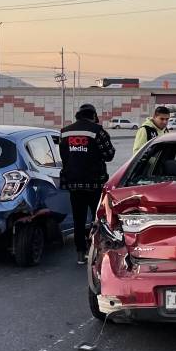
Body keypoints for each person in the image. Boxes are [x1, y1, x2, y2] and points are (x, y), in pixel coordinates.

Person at [59, 103, 115, 265]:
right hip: (94, 183)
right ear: (94, 116)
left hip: (73, 182)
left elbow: (64, 155)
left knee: (78, 217)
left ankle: (80, 253)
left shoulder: (65, 132)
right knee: (99, 217)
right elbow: (109, 154)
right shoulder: (97, 131)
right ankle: (97, 251)